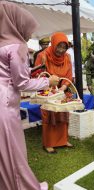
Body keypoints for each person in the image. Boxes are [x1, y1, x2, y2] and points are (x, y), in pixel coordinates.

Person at [0, 2, 60, 190]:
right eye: (27, 30)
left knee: (3, 153)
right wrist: (48, 82)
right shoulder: (16, 46)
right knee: (13, 151)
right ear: (17, 23)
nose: (28, 35)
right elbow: (22, 83)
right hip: (6, 105)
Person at [35, 32, 73, 154]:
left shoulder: (67, 57)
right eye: (59, 46)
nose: (61, 50)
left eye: (64, 47)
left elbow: (69, 75)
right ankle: (49, 143)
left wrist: (63, 87)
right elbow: (36, 74)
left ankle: (63, 140)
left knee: (63, 115)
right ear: (54, 44)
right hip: (48, 90)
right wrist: (48, 83)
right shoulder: (43, 55)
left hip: (61, 90)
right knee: (49, 116)